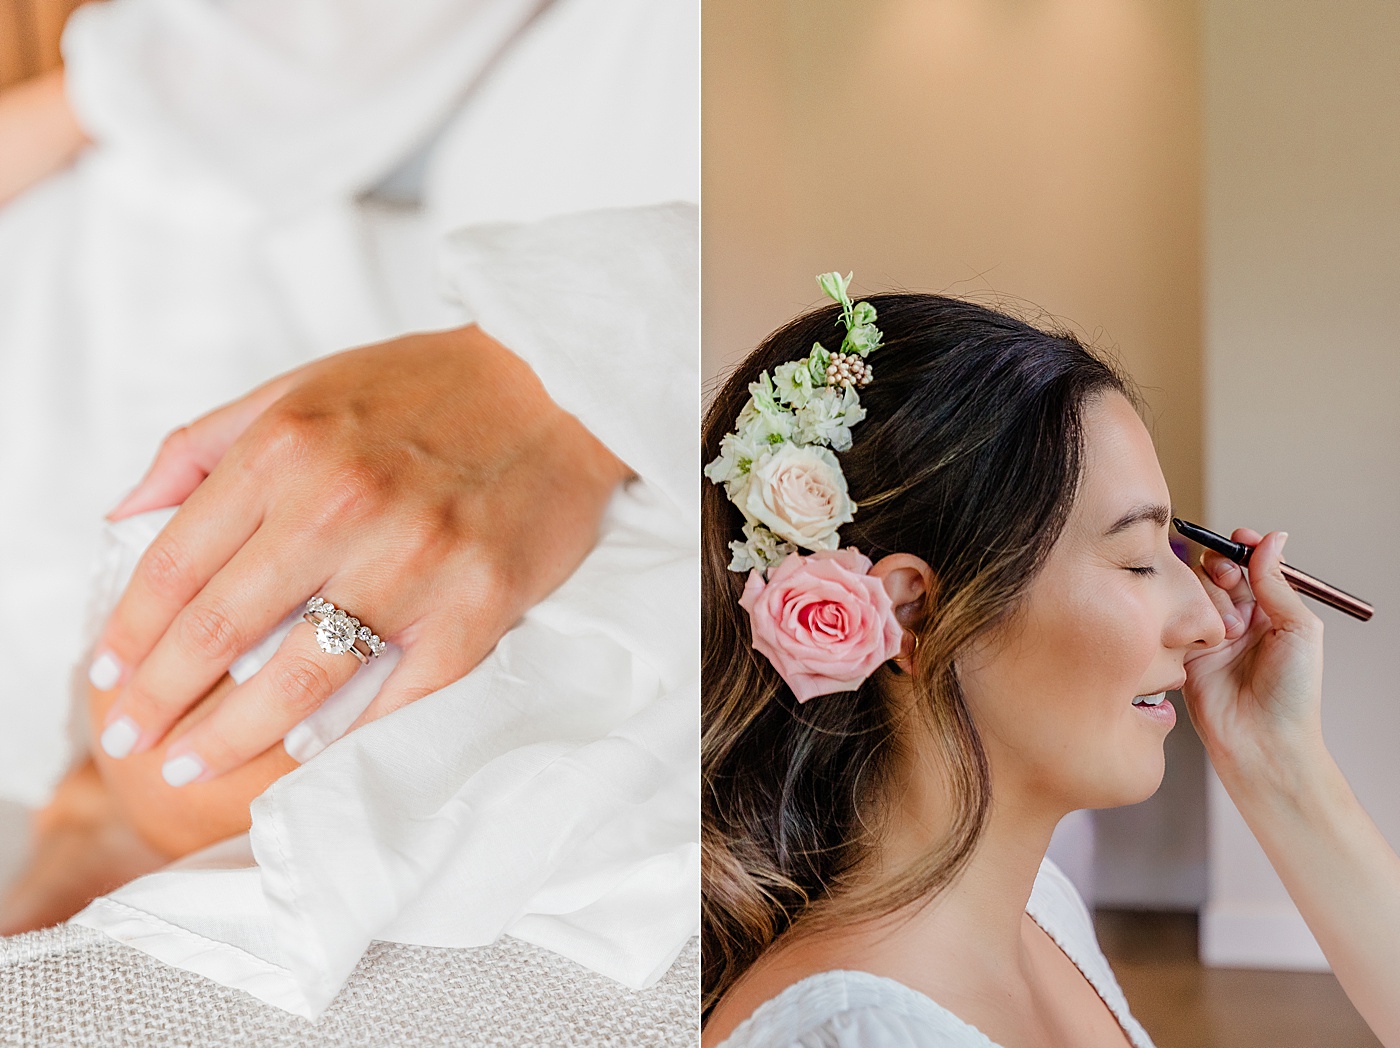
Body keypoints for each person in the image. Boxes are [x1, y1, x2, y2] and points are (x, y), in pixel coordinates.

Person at [700, 278, 1400, 1047]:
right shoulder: (852, 1035)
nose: (1206, 621)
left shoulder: (1041, 910)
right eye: (1139, 560)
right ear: (910, 611)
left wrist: (1275, 755)